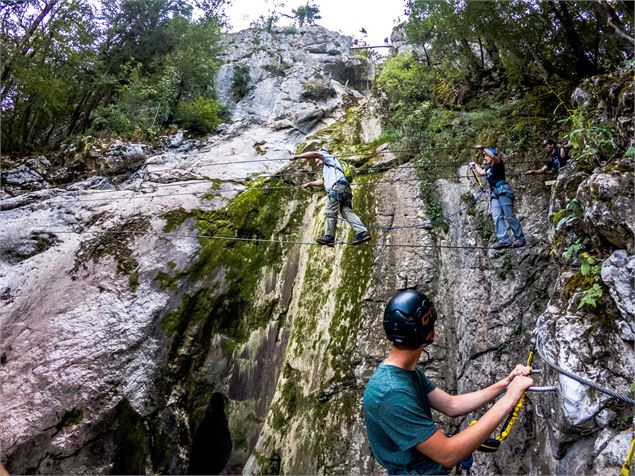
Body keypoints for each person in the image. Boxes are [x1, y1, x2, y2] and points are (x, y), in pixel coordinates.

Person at [363, 290, 534, 475]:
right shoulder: (392, 392)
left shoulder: (402, 373)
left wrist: (506, 383)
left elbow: (451, 405)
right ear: (430, 331)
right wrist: (508, 400)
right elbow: (448, 453)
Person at [290, 148, 371, 246]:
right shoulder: (330, 168)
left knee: (330, 210)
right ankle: (362, 232)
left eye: (318, 160)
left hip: (338, 188)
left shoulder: (328, 157)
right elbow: (323, 181)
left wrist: (298, 156)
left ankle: (329, 237)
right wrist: (310, 184)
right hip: (345, 189)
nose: (318, 163)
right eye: (316, 162)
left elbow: (315, 153)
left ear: (322, 156)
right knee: (346, 212)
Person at [469, 145, 526, 249]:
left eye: (486, 156)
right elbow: (481, 172)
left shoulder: (498, 163)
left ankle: (519, 238)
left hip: (503, 191)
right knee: (496, 216)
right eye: (484, 156)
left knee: (509, 215)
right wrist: (475, 164)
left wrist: (483, 148)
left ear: (491, 156)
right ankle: (504, 240)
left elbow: (494, 157)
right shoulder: (488, 168)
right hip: (494, 193)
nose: (485, 158)